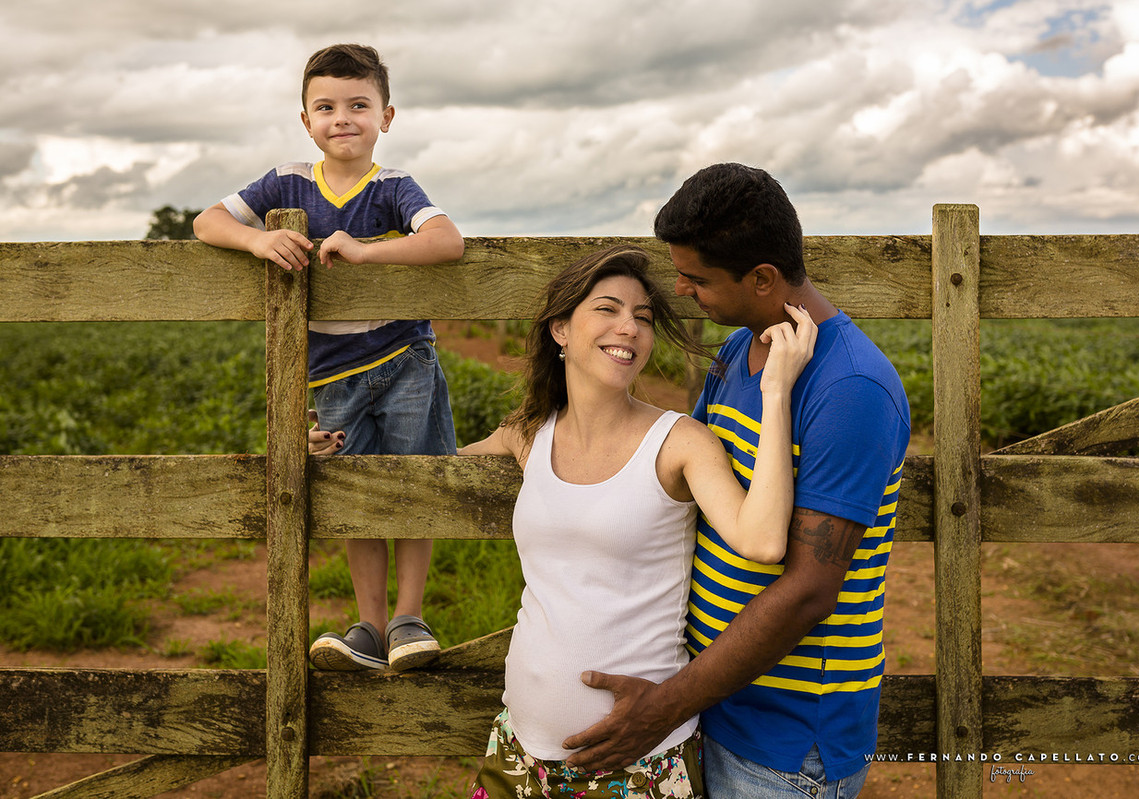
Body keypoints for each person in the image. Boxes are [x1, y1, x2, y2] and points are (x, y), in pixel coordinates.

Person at [311, 245, 816, 797]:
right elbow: (421, 484)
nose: (629, 327)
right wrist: (337, 454)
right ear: (560, 330)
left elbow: (763, 540)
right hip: (517, 752)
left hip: (635, 761)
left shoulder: (678, 442)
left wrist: (777, 392)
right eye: (608, 309)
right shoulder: (528, 434)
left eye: (643, 318)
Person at [562, 164, 911, 799]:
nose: (682, 290)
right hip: (713, 703)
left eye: (697, 278)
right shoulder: (737, 352)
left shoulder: (849, 389)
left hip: (785, 743)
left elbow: (809, 591)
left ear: (762, 279)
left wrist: (665, 705)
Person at [194, 43, 464, 673]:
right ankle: (368, 625)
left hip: (404, 361)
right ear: (306, 120)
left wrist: (369, 254)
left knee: (413, 482)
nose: (342, 118)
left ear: (386, 117)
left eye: (358, 105)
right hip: (333, 373)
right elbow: (209, 222)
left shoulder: (394, 187)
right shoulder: (286, 182)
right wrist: (258, 239)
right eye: (326, 107)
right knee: (353, 491)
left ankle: (408, 619)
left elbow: (446, 241)